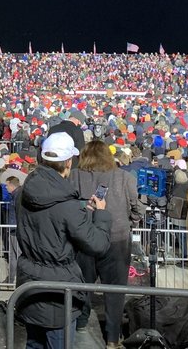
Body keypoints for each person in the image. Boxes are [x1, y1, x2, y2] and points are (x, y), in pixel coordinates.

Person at [15, 132, 111, 349]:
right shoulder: (67, 206)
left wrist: (79, 213)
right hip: (57, 293)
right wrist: (101, 215)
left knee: (34, 343)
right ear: (68, 162)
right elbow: (98, 245)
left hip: (29, 284)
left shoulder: (22, 193)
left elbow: (48, 222)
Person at [69, 140, 143, 347]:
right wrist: (130, 221)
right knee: (115, 291)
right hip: (116, 240)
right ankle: (112, 339)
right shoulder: (124, 177)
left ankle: (80, 326)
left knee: (82, 286)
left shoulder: (74, 176)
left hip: (85, 238)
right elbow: (137, 208)